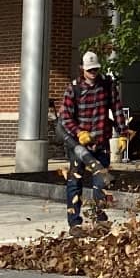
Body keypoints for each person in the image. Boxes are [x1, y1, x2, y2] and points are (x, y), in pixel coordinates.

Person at [58, 51, 122, 230]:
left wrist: (123, 133)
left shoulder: (107, 86)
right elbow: (65, 118)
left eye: (95, 69)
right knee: (74, 183)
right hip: (79, 145)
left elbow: (116, 110)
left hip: (101, 142)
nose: (93, 72)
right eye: (89, 70)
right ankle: (75, 224)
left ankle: (100, 219)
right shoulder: (74, 89)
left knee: (101, 183)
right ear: (82, 69)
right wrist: (79, 132)